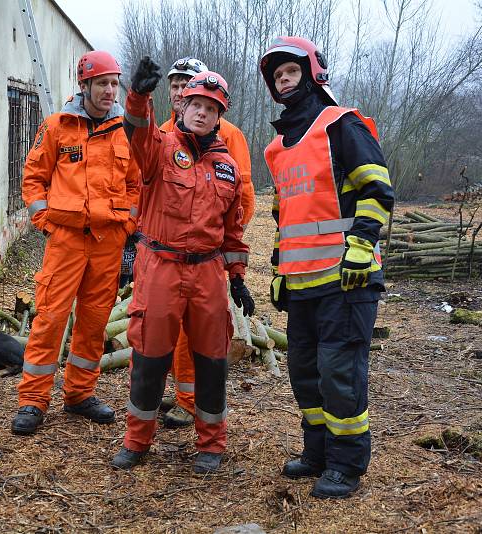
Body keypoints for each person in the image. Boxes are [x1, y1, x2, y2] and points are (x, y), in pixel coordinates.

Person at [259, 36, 395, 498]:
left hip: (346, 279)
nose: (283, 81)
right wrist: (280, 267)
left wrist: (362, 243)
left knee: (339, 374)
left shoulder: (341, 125)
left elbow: (377, 190)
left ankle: (346, 465)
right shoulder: (277, 147)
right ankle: (316, 453)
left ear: (314, 73)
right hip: (302, 285)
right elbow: (287, 215)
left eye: (290, 72)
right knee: (305, 373)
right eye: (277, 77)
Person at [110, 57, 255, 474]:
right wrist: (137, 95)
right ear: (182, 106)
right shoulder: (159, 147)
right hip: (161, 265)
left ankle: (211, 443)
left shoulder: (227, 167)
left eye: (210, 108)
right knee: (150, 356)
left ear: (218, 117)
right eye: (195, 104)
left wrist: (239, 279)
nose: (201, 112)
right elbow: (135, 132)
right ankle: (137, 440)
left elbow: (234, 232)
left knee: (212, 359)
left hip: (208, 271)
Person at [11, 50, 140, 435]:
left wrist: (128, 225)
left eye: (115, 83)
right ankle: (33, 401)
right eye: (102, 83)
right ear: (83, 86)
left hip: (108, 241)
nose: (109, 90)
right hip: (66, 240)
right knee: (50, 317)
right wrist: (45, 220)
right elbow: (33, 179)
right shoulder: (57, 127)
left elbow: (137, 185)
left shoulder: (125, 131)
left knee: (94, 321)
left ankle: (80, 393)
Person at [158, 57, 256, 429]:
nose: (180, 90)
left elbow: (240, 191)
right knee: (157, 331)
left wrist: (233, 253)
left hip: (206, 253)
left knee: (196, 334)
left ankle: (190, 399)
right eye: (176, 83)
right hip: (165, 253)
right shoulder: (165, 131)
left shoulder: (226, 132)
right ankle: (179, 391)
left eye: (187, 82)